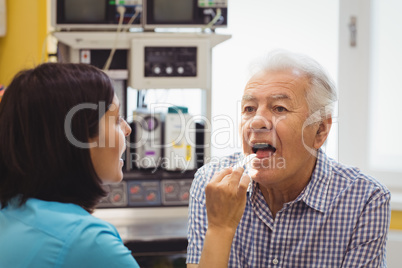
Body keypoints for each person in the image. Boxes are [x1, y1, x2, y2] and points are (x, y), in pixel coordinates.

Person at [187, 50, 391, 267]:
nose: (256, 122)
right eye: (249, 108)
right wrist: (220, 228)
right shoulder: (211, 183)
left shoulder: (365, 200)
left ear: (320, 130)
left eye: (279, 108)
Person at [0, 63, 140, 267]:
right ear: (78, 136)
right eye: (116, 119)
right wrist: (206, 230)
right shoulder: (88, 242)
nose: (127, 129)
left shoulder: (10, 212)